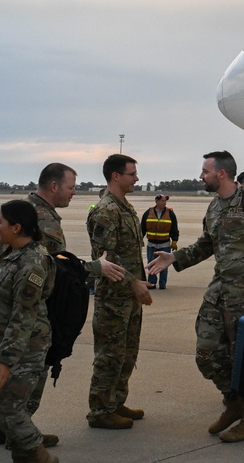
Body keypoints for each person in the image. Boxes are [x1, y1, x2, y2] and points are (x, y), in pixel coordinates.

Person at [146, 150, 244, 443]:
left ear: (221, 173)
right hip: (219, 289)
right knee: (206, 352)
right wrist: (175, 258)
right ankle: (232, 404)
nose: (201, 176)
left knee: (243, 357)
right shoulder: (214, 206)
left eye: (205, 171)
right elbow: (206, 244)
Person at [0, 164, 124, 448]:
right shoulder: (43, 219)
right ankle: (22, 435)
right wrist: (95, 268)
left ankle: (5, 429)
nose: (74, 193)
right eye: (70, 187)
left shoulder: (23, 209)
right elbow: (53, 266)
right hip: (36, 311)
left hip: (10, 310)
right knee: (30, 376)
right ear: (53, 187)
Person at [85, 154, 152, 430]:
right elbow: (106, 256)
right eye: (132, 173)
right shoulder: (106, 211)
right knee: (109, 355)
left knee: (127, 353)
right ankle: (100, 410)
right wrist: (134, 282)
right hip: (114, 298)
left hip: (128, 298)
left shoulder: (125, 207)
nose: (136, 178)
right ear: (116, 176)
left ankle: (115, 402)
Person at [0, 201, 56, 463]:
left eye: (0, 221)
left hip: (24, 349)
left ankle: (38, 455)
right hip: (4, 344)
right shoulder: (9, 254)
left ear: (16, 227)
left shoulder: (33, 263)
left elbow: (23, 317)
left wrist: (6, 361)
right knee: (6, 408)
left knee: (8, 409)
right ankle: (25, 453)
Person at [140, 194, 179, 290]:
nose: (164, 203)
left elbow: (174, 228)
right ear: (156, 201)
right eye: (162, 201)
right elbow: (142, 228)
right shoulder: (148, 213)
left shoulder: (170, 213)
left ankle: (162, 283)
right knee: (151, 264)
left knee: (164, 265)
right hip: (151, 244)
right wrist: (140, 239)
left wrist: (174, 240)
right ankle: (152, 283)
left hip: (165, 244)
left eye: (165, 201)